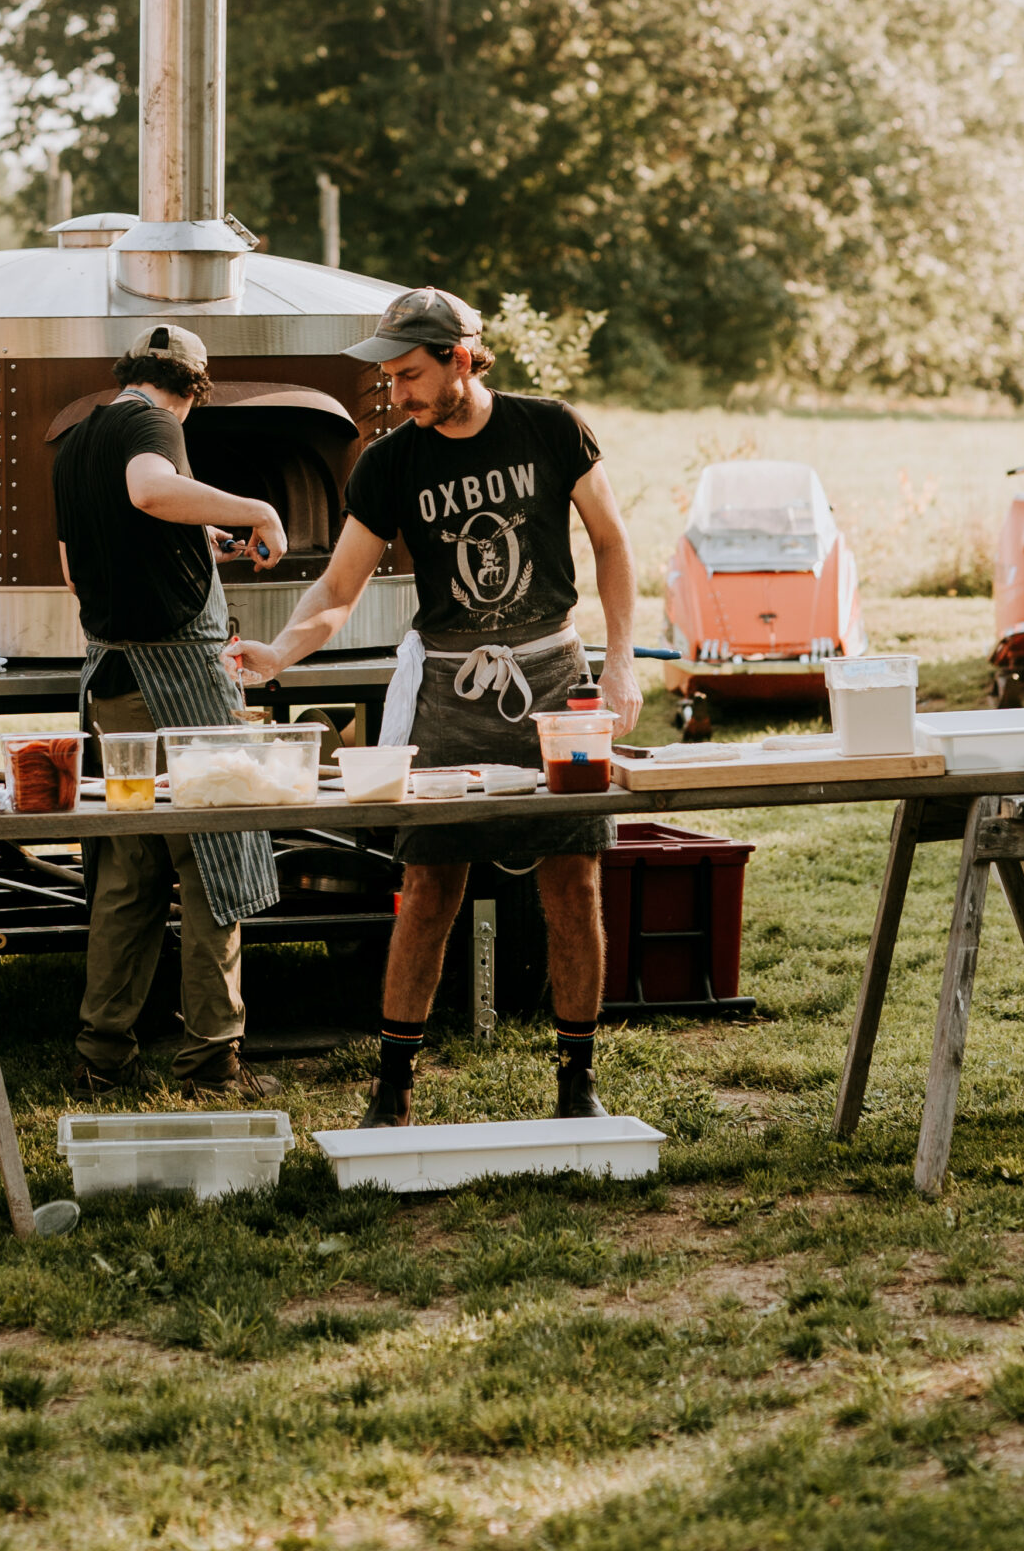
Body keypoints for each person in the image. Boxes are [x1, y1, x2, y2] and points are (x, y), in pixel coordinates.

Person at [237, 285, 641, 1126]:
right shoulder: (390, 463)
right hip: (449, 693)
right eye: (389, 377)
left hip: (556, 685)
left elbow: (610, 542)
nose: (397, 393)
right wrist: (278, 652)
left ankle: (577, 1085)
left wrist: (623, 663)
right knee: (427, 887)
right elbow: (337, 589)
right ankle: (392, 1090)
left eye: (410, 374)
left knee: (572, 882)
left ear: (461, 359)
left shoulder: (549, 427)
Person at [53, 321, 289, 1097]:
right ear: (191, 389)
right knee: (214, 858)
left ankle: (102, 1056)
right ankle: (212, 1062)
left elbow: (75, 569)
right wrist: (256, 509)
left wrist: (196, 539)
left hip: (113, 682)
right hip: (181, 680)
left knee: (130, 870)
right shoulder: (153, 422)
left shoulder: (78, 440)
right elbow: (150, 490)